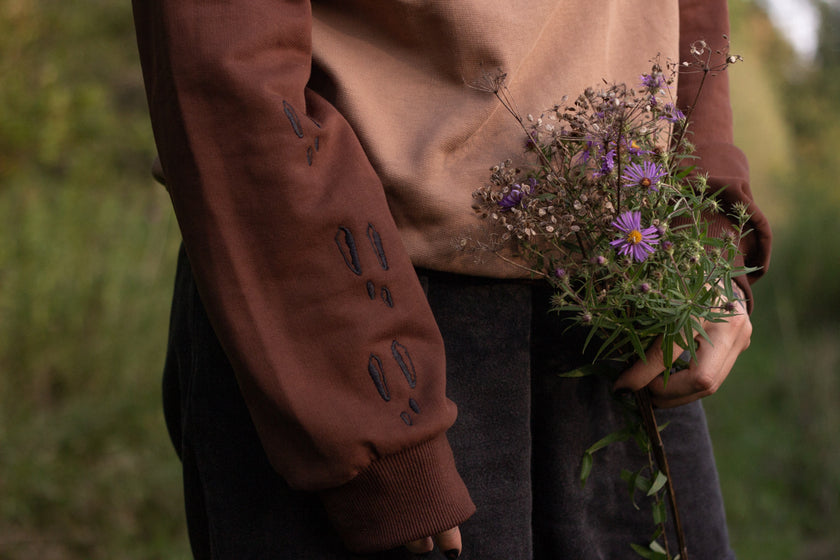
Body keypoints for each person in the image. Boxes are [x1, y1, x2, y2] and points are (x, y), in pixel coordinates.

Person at [131, 0, 772, 558]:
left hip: (630, 304)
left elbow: (694, 22)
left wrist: (704, 241)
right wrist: (368, 418)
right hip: (359, 313)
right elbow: (224, 63)